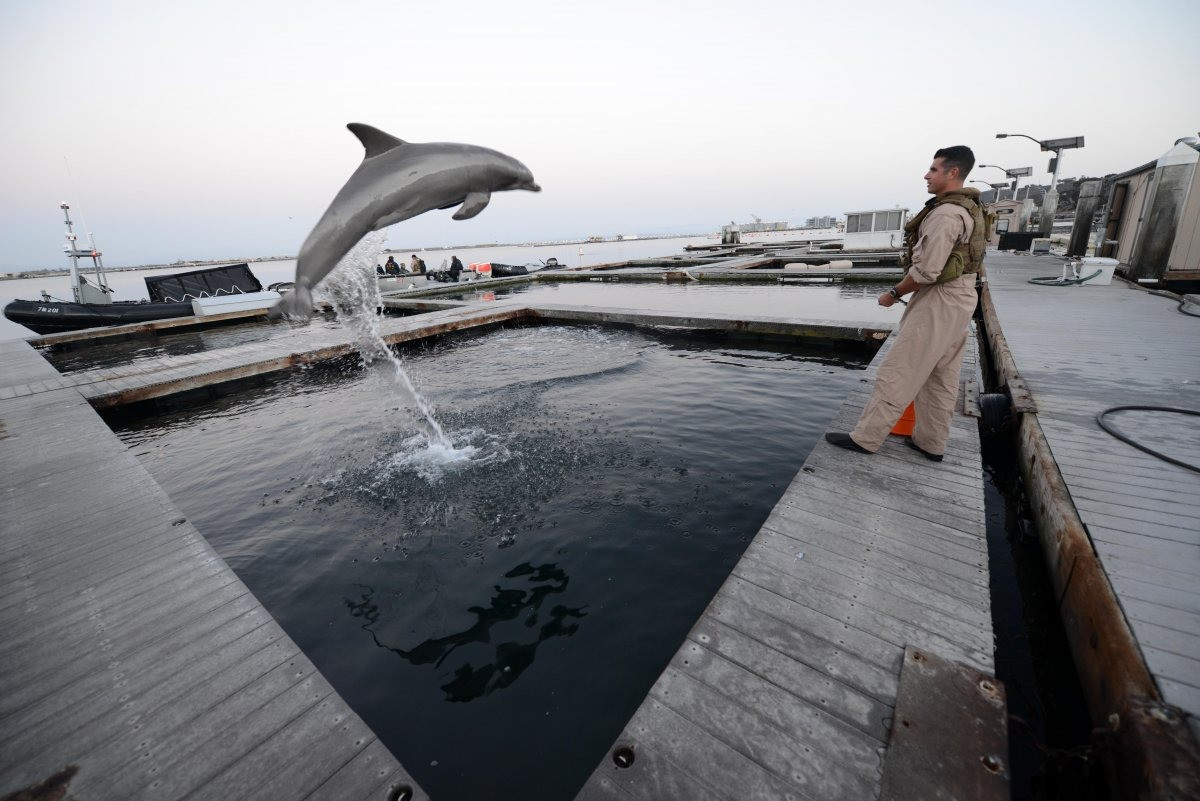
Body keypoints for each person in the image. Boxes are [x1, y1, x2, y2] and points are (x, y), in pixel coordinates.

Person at [825, 145, 988, 463]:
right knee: (941, 376)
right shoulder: (970, 208)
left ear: (953, 172)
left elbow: (927, 271)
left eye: (934, 169)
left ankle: (866, 438)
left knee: (899, 371)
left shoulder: (945, 215)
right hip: (962, 298)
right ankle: (931, 442)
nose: (927, 175)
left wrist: (894, 293)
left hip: (939, 302)